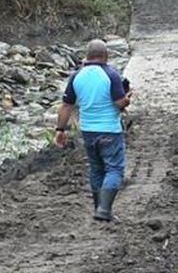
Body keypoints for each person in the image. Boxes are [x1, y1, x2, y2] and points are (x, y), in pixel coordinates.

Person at [54, 39, 132, 221]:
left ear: (86, 56)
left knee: (96, 169)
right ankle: (105, 210)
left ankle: (99, 208)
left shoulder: (76, 76)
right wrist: (127, 98)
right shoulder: (111, 74)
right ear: (106, 56)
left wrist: (60, 130)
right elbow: (119, 103)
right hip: (109, 131)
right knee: (114, 170)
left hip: (88, 131)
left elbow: (66, 105)